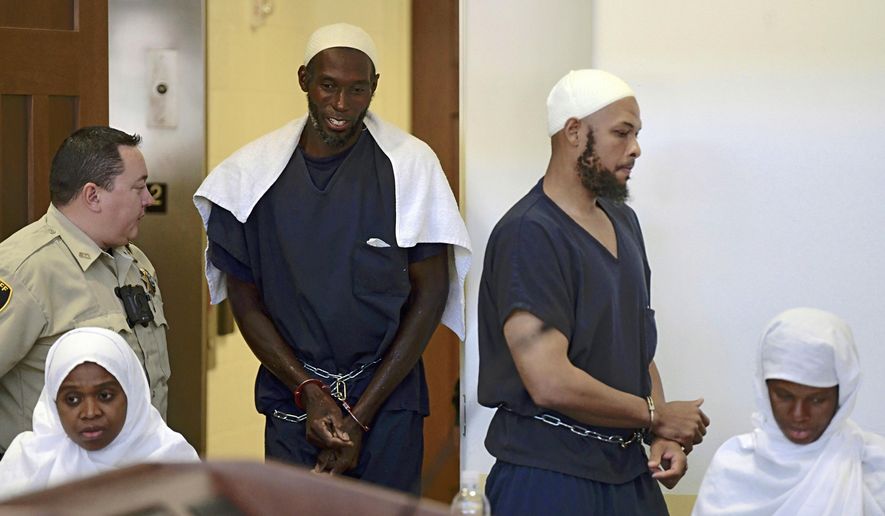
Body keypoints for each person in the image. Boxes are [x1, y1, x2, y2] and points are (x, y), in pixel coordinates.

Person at [193, 23, 470, 494]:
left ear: (374, 87)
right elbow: (245, 302)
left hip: (388, 402)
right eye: (329, 86)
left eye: (357, 89)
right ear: (304, 79)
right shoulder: (250, 177)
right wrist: (309, 392)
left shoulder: (410, 166)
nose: (342, 105)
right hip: (293, 400)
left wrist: (360, 417)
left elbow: (432, 293)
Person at [477, 69, 710, 515]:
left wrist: (660, 436)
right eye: (622, 133)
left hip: (627, 473)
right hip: (547, 479)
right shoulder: (529, 233)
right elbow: (548, 381)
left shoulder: (624, 222)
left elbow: (636, 347)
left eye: (637, 134)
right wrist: (655, 414)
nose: (636, 147)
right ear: (573, 131)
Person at [0, 126, 170, 458]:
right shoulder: (25, 270)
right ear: (93, 195)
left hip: (136, 476)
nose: (149, 198)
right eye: (139, 188)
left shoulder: (136, 262)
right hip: (54, 490)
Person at [693, 308, 885, 515]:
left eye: (817, 399)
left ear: (842, 395)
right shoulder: (734, 466)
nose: (799, 415)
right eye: (784, 396)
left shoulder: (874, 467)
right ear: (764, 390)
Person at [0, 327, 197, 500]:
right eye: (72, 400)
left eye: (105, 395)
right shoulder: (27, 463)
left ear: (132, 394)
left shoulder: (172, 462)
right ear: (53, 404)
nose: (90, 412)